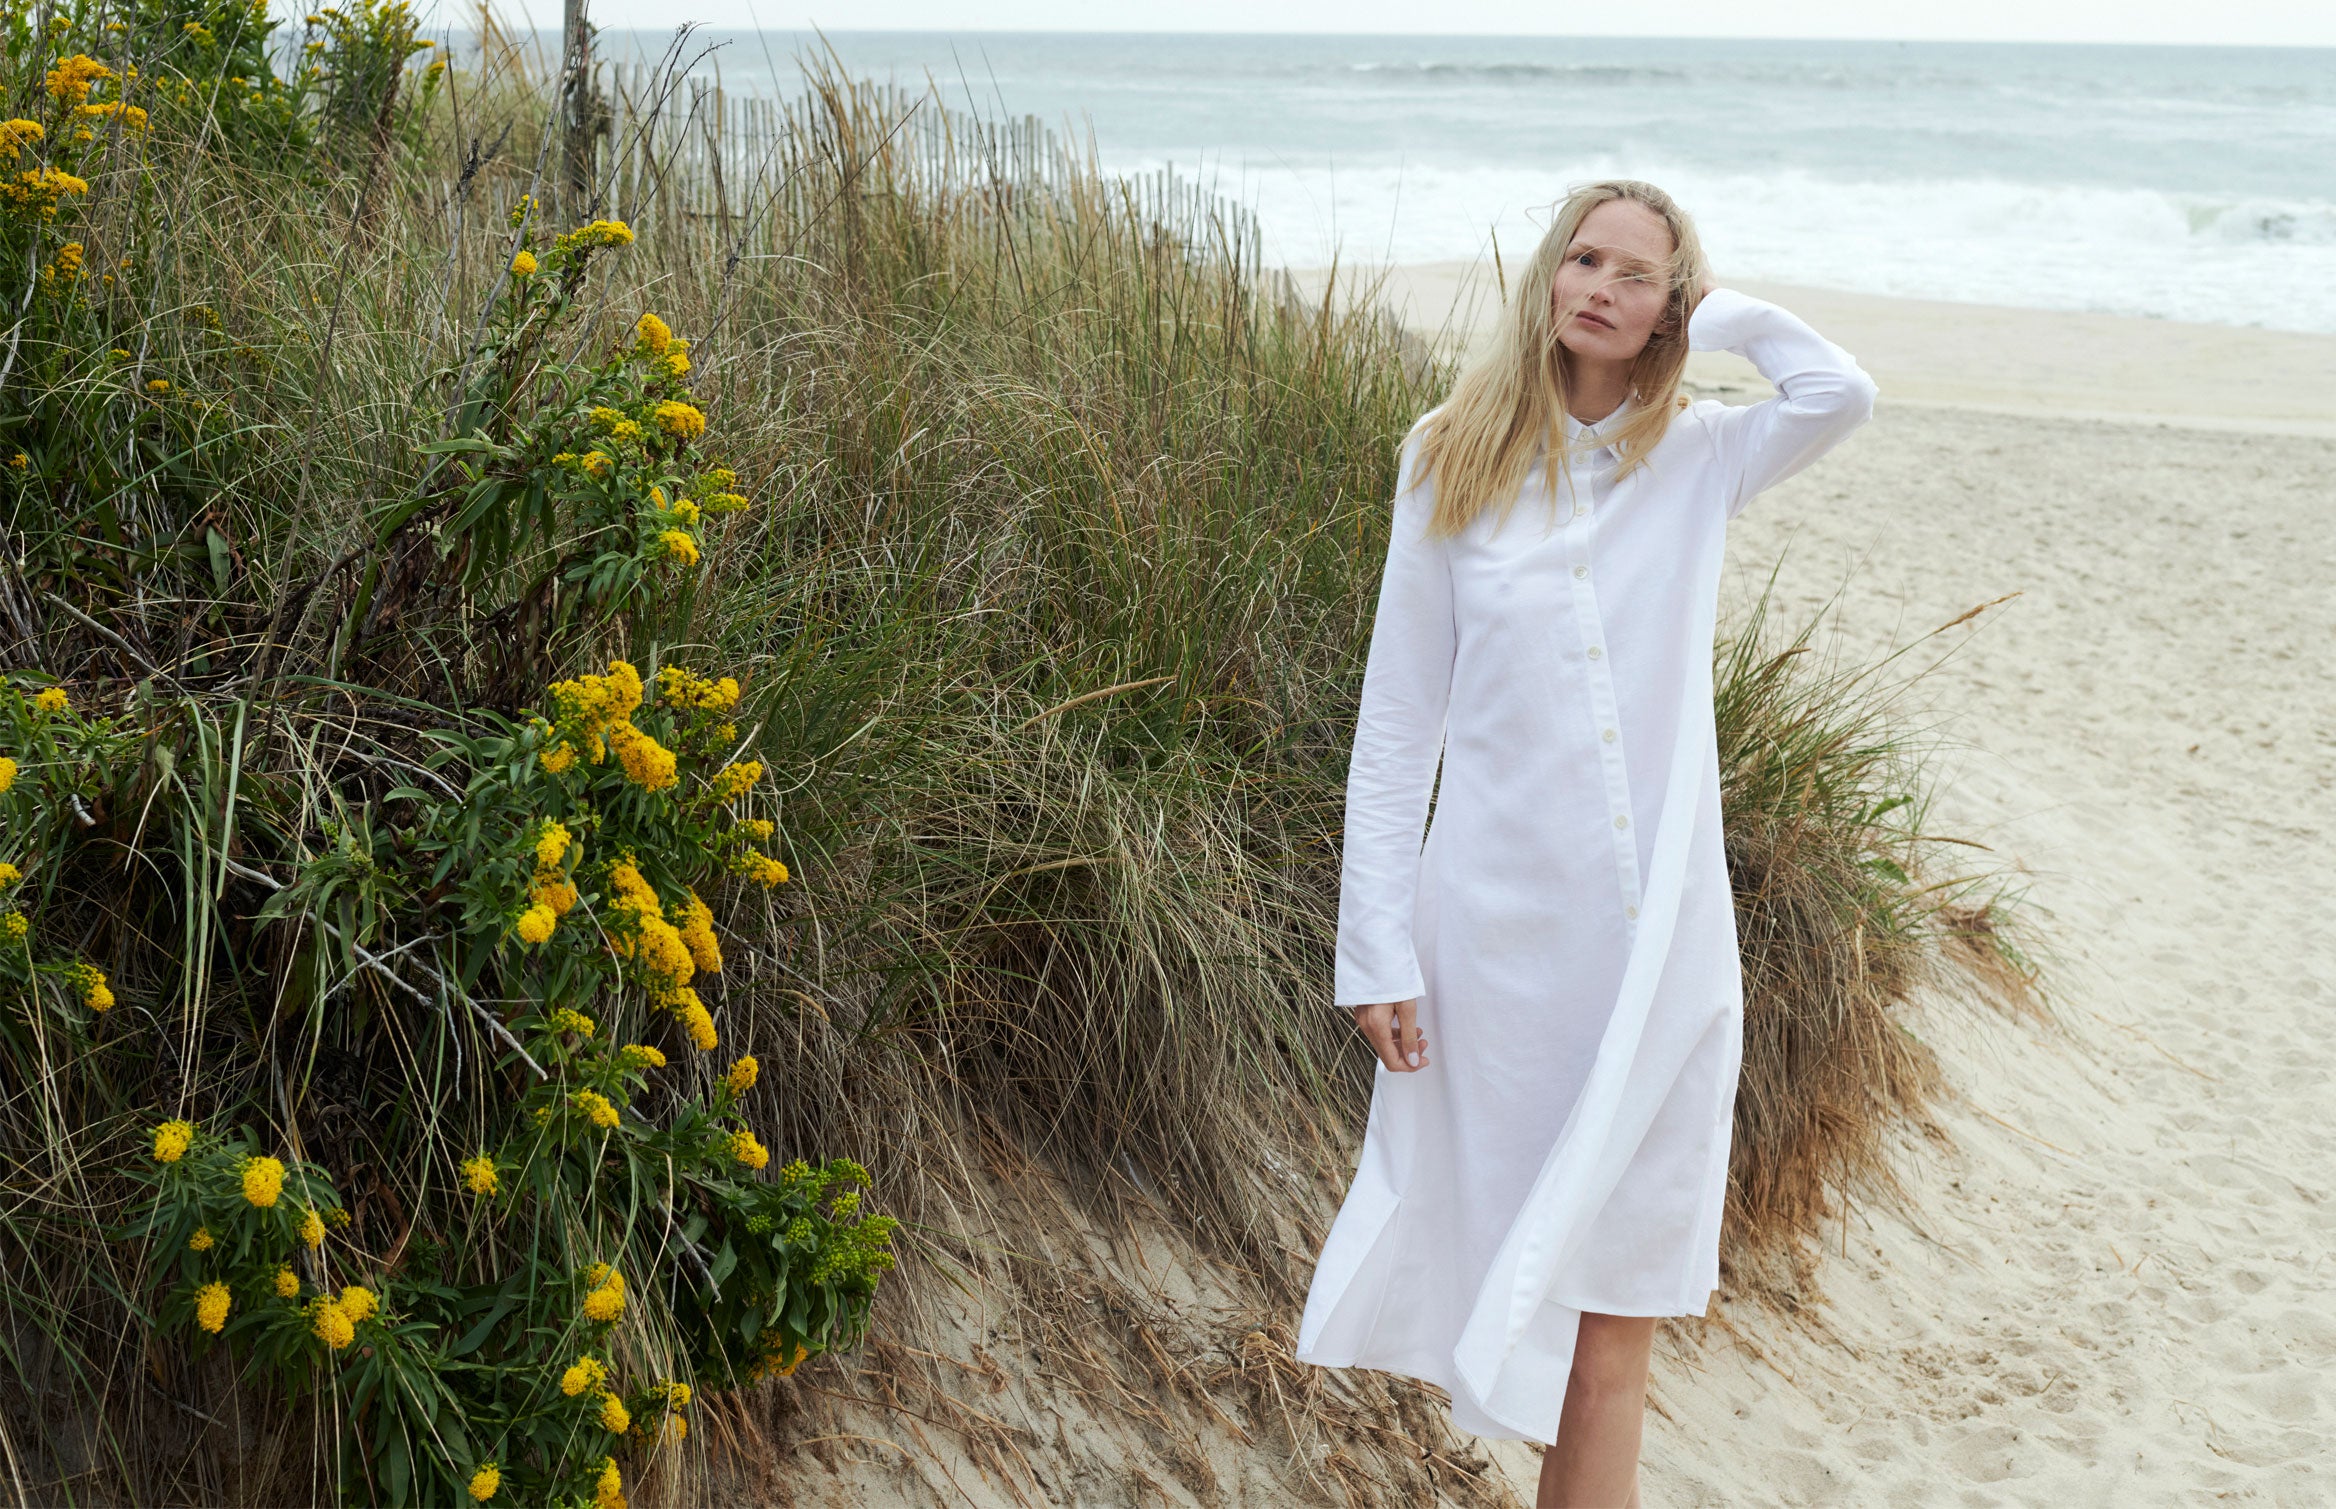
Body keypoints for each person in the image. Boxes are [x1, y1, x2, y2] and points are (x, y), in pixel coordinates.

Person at [1292, 179, 1879, 1508]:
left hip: (1659, 960)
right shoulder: (1447, 454)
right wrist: (1374, 945)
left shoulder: (1704, 456)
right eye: (1584, 257)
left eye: (1639, 273)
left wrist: (1723, 316)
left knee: (1615, 1340)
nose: (1601, 286)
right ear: (1548, 275)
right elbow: (1399, 720)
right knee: (1535, 1325)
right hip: (1497, 957)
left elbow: (1841, 394)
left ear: (1670, 302)